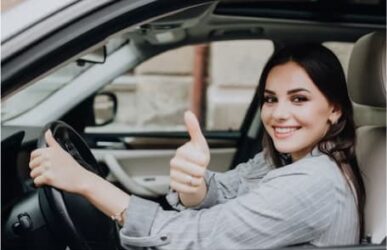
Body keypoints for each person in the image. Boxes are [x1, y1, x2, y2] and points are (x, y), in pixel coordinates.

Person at [29, 44, 365, 249]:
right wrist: (196, 187)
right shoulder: (284, 159)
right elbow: (228, 189)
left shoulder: (314, 182)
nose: (279, 114)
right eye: (270, 99)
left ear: (334, 108)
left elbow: (195, 240)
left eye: (299, 99)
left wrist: (87, 183)